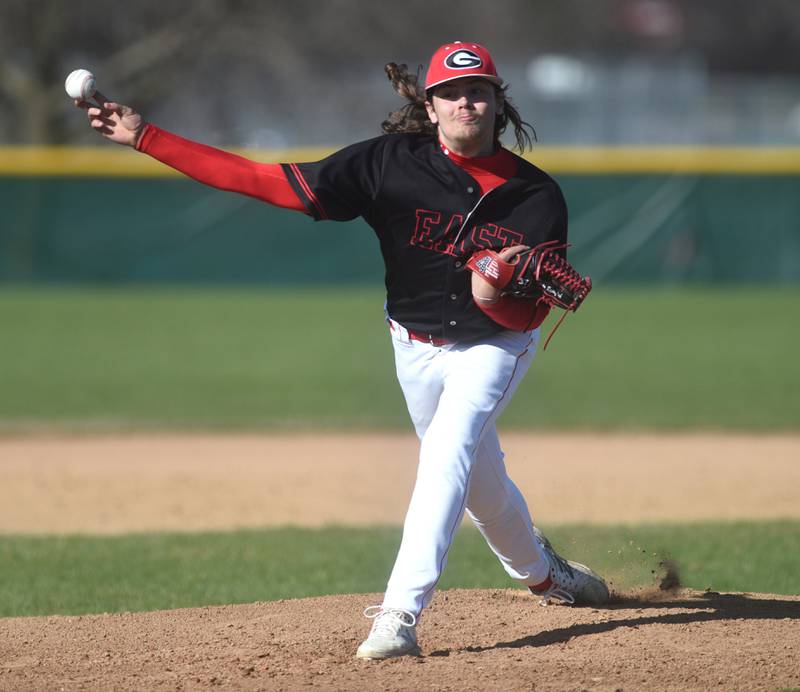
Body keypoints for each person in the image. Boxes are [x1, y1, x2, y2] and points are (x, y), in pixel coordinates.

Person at [76, 40, 609, 660]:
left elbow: (536, 308)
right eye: (452, 93)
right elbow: (268, 182)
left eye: (480, 91)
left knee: (446, 451)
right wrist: (148, 139)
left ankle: (398, 617)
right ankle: (548, 575)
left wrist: (493, 295)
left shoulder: (537, 196)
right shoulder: (387, 164)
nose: (467, 102)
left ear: (498, 104)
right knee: (479, 484)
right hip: (412, 345)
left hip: (495, 346)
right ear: (430, 107)